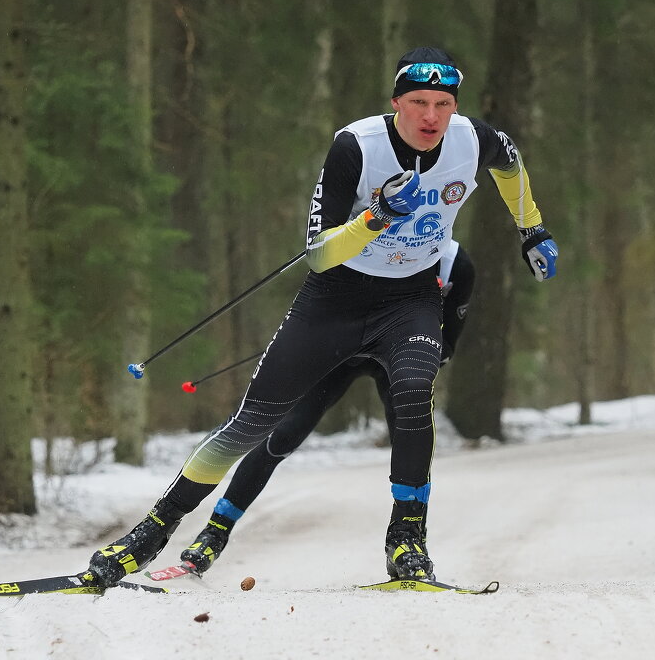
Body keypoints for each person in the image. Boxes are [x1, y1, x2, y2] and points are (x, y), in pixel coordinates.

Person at [81, 47, 558, 587]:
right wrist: (376, 217)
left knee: (413, 390)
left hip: (411, 298)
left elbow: (511, 166)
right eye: (418, 102)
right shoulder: (357, 146)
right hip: (335, 298)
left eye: (443, 104)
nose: (431, 117)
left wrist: (531, 229)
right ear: (396, 102)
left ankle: (407, 541)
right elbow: (319, 253)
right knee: (253, 426)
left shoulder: (474, 139)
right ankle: (150, 532)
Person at [179, 240, 475, 574]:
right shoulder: (371, 239)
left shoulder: (455, 265)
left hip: (397, 357)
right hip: (342, 353)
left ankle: (410, 543)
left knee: (413, 439)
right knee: (281, 437)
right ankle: (215, 532)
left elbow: (447, 345)